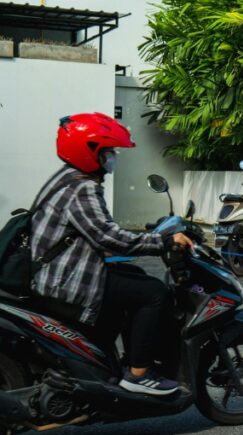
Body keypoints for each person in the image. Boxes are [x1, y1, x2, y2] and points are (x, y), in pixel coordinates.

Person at [30, 112, 193, 396]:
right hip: (64, 278)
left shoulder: (67, 177)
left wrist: (153, 237)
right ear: (89, 152)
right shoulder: (82, 188)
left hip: (55, 268)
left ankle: (106, 354)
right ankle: (139, 373)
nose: (112, 157)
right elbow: (110, 238)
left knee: (135, 275)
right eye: (108, 152)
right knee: (154, 292)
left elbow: (99, 231)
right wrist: (163, 242)